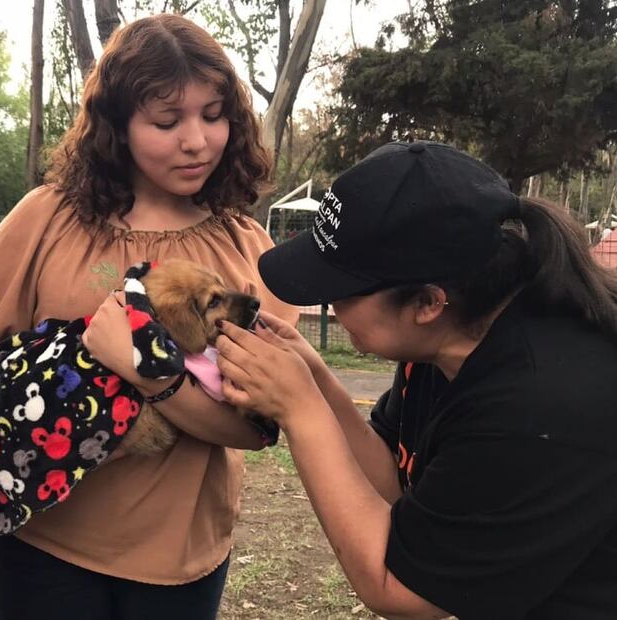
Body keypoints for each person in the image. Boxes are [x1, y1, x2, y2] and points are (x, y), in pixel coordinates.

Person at [0, 14, 297, 620]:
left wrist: (150, 378)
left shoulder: (246, 247)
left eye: (213, 115)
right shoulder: (46, 220)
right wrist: (20, 428)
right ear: (118, 126)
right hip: (42, 546)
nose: (197, 141)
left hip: (181, 557)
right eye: (166, 121)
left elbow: (256, 428)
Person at [215, 141, 617, 619]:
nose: (326, 303)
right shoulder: (445, 343)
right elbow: (395, 478)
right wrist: (315, 377)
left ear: (427, 303)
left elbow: (401, 588)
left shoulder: (539, 401)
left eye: (340, 290)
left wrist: (300, 410)